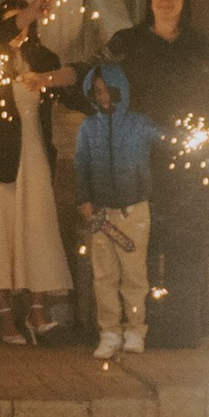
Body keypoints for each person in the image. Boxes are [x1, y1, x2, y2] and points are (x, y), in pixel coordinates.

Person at [105, 0, 209, 348]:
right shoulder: (130, 43)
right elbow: (97, 77)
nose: (166, 0)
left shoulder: (200, 46)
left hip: (188, 156)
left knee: (186, 241)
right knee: (144, 238)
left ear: (184, 0)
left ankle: (185, 327)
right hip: (143, 153)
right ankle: (144, 325)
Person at [0, 0, 71, 344]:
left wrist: (46, 79)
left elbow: (68, 93)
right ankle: (4, 316)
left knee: (36, 226)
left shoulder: (45, 58)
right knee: (1, 232)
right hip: (0, 157)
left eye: (22, 19)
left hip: (34, 153)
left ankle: (37, 308)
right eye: (9, 20)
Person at [69, 56, 166, 361]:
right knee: (104, 275)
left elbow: (164, 142)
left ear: (120, 89)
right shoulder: (88, 127)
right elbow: (81, 165)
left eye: (107, 90)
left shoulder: (139, 123)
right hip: (101, 214)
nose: (103, 97)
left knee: (134, 274)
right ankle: (109, 332)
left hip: (134, 210)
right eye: (96, 91)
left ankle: (135, 330)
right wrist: (84, 199)